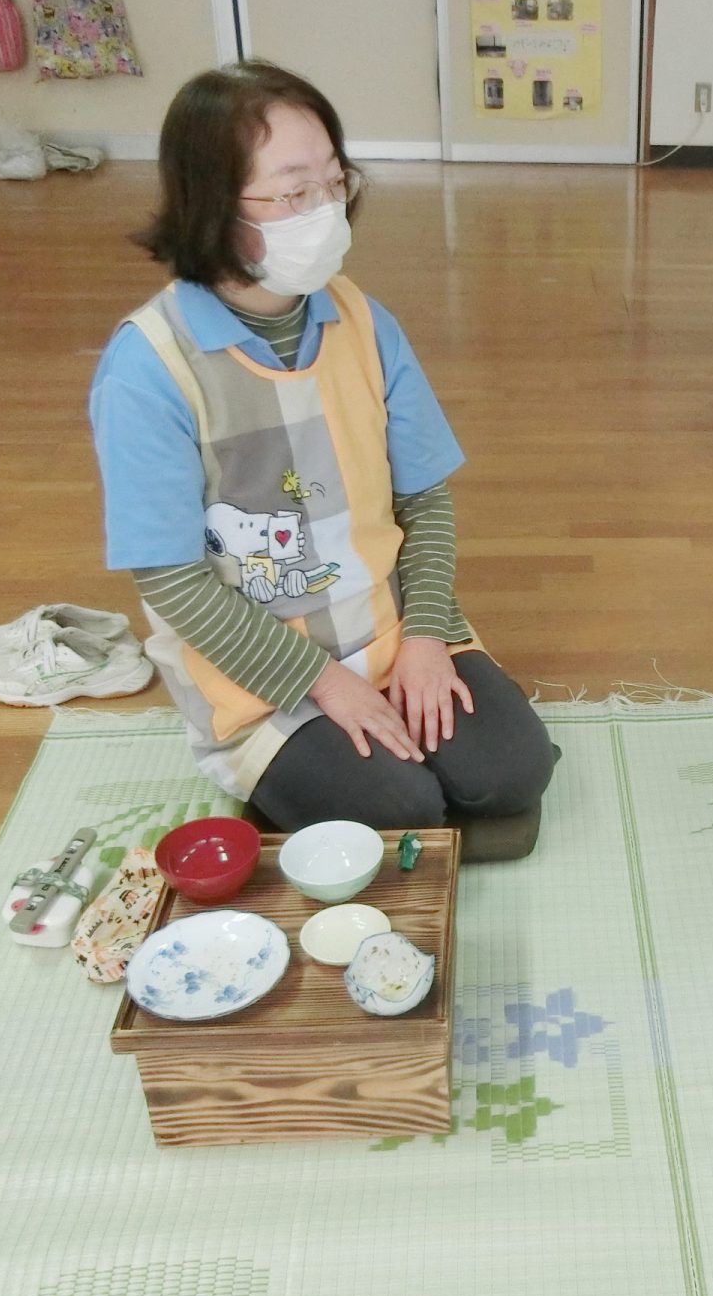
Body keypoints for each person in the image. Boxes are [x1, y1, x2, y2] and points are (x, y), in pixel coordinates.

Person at [88, 61, 556, 854]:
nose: (326, 211)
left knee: (512, 774)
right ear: (211, 203)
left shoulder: (364, 320)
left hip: (387, 623)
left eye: (335, 184)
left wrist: (425, 638)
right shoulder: (147, 367)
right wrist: (322, 682)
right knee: (402, 805)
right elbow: (171, 582)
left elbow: (424, 501)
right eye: (294, 192)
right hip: (255, 665)